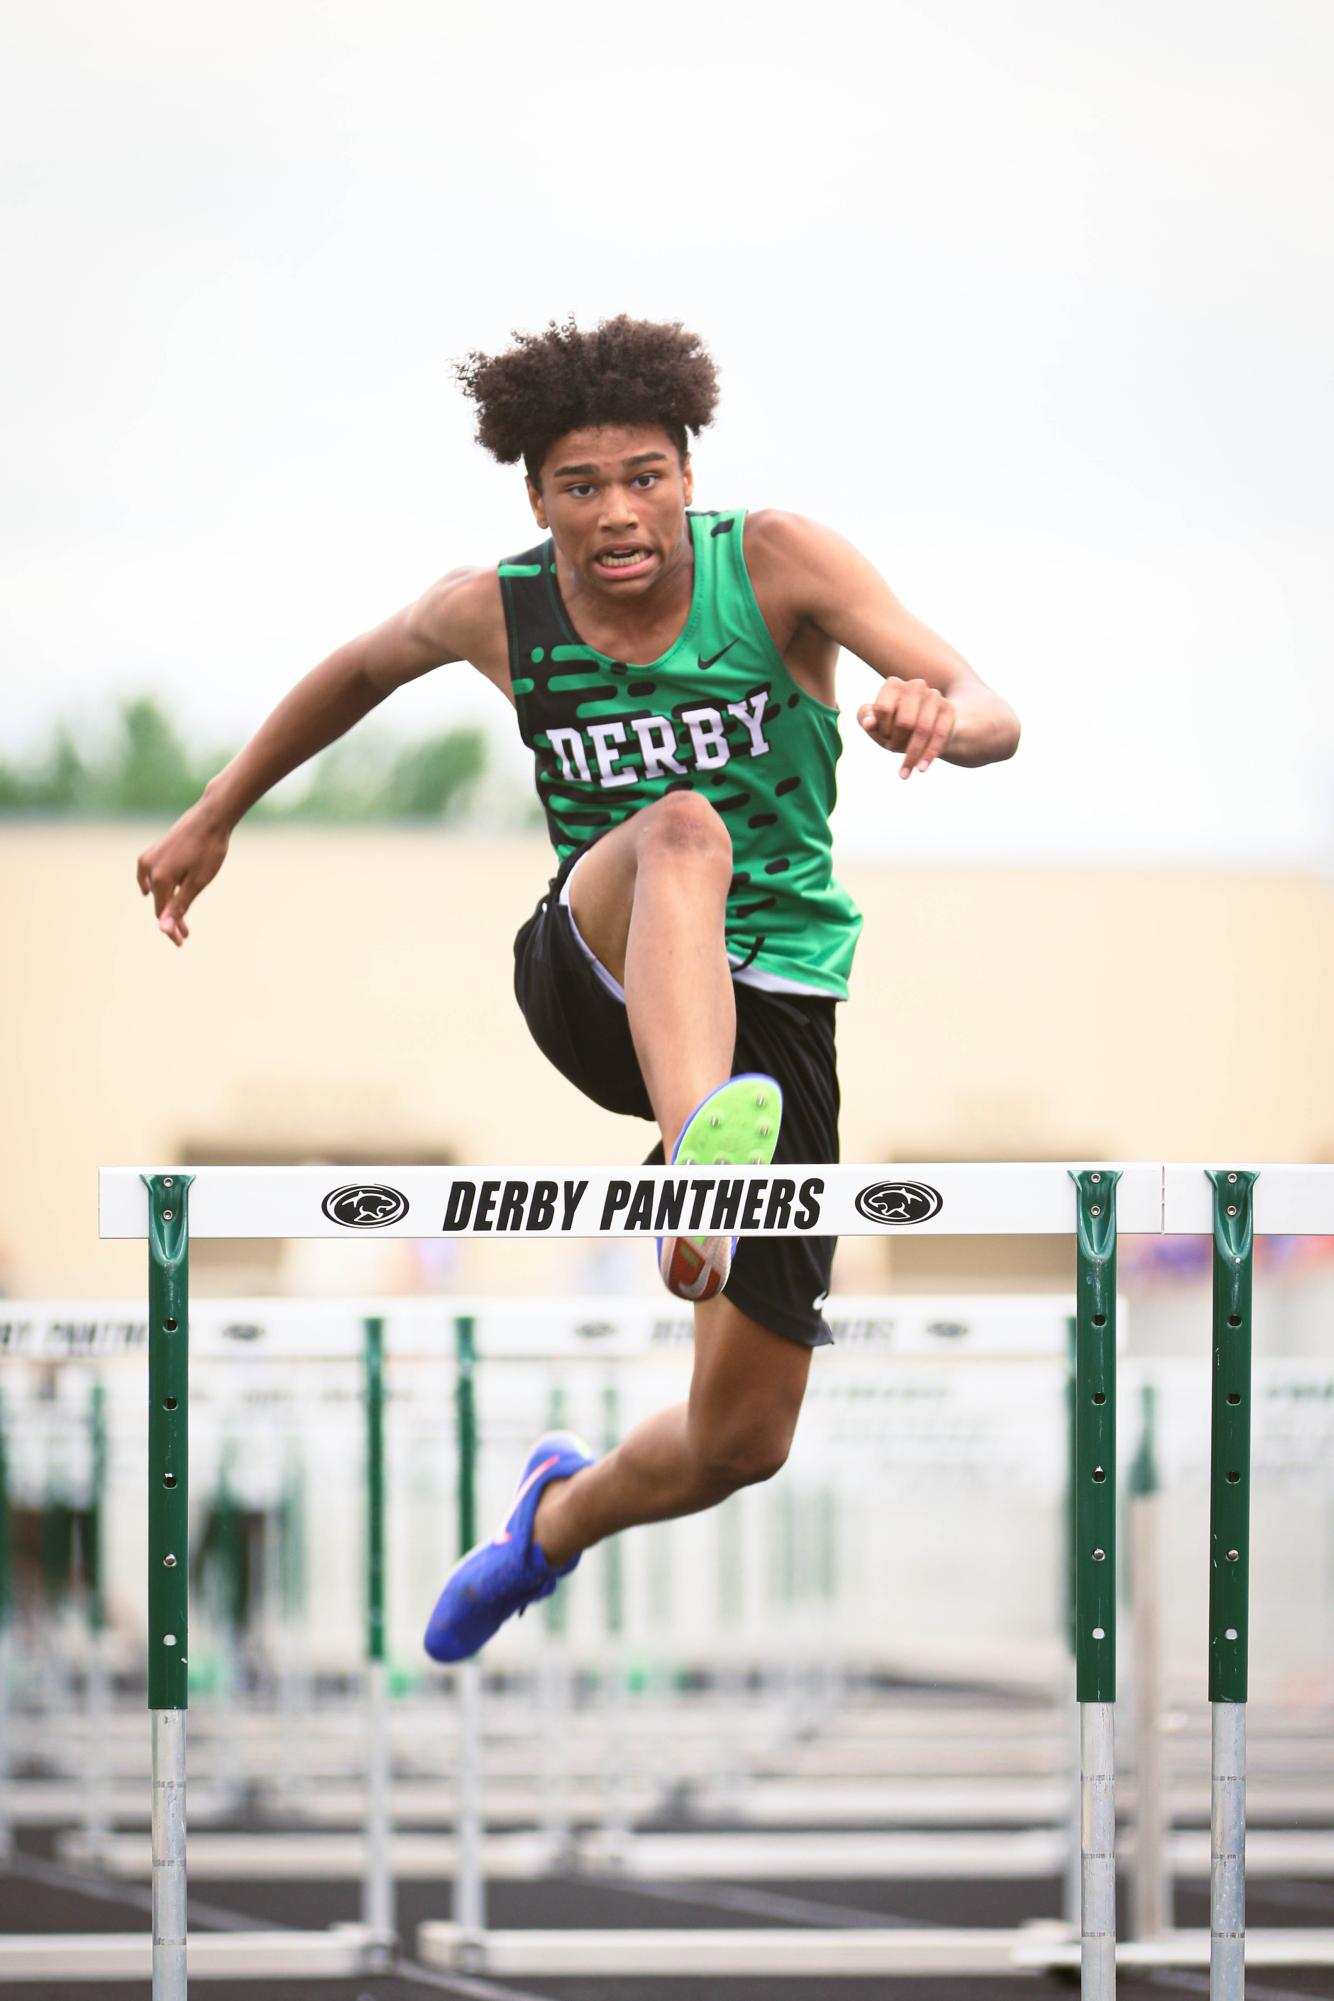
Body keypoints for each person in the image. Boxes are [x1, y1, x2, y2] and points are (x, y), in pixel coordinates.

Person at [136, 315, 1021, 1661]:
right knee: (681, 829)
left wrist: (938, 719)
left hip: (774, 1010)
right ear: (534, 494)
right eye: (581, 485)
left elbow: (986, 705)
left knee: (741, 1440)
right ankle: (694, 1166)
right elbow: (360, 670)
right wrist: (216, 812)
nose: (618, 514)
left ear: (686, 471)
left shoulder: (772, 563)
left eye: (645, 476)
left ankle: (552, 1519)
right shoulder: (498, 609)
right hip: (596, 968)